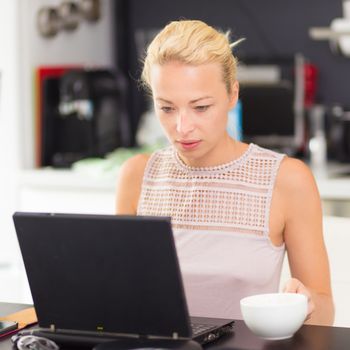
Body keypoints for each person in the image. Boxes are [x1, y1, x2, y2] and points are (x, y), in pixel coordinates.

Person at [115, 19, 334, 325]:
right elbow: (124, 294)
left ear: (232, 95)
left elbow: (323, 307)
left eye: (201, 107)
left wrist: (306, 304)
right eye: (167, 108)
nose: (183, 127)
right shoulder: (137, 176)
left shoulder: (287, 180)